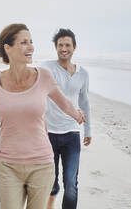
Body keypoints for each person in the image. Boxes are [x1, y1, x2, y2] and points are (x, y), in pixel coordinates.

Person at [0, 24, 85, 209]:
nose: (31, 47)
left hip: (42, 165)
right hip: (8, 166)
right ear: (8, 48)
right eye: (24, 43)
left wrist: (77, 114)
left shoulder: (43, 76)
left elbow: (63, 102)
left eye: (31, 42)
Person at [43, 29, 91, 209]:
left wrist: (88, 130)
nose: (64, 48)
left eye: (67, 45)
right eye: (60, 45)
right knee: (51, 182)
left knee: (71, 184)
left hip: (72, 134)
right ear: (56, 48)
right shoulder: (47, 68)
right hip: (48, 135)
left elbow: (85, 102)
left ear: (74, 48)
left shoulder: (83, 74)